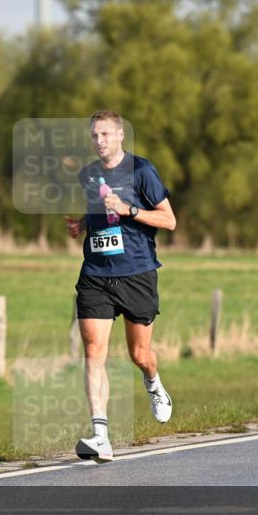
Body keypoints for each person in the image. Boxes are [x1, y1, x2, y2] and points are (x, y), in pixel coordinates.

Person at [65, 111, 177, 462]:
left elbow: (169, 220)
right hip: (96, 273)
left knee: (139, 355)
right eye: (95, 135)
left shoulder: (142, 171)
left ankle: (154, 383)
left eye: (105, 135)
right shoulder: (88, 174)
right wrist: (83, 224)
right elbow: (100, 210)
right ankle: (101, 436)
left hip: (137, 272)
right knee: (94, 351)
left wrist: (129, 210)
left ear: (120, 136)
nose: (99, 141)